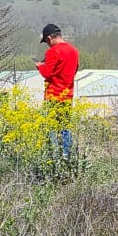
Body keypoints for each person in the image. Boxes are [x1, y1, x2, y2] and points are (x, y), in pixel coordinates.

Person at [37, 22, 79, 161]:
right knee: (65, 128)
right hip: (67, 95)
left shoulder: (53, 51)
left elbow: (47, 73)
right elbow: (74, 71)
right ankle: (67, 156)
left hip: (53, 96)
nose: (47, 45)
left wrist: (40, 66)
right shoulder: (74, 51)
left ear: (49, 38)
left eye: (47, 42)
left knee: (51, 129)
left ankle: (53, 158)